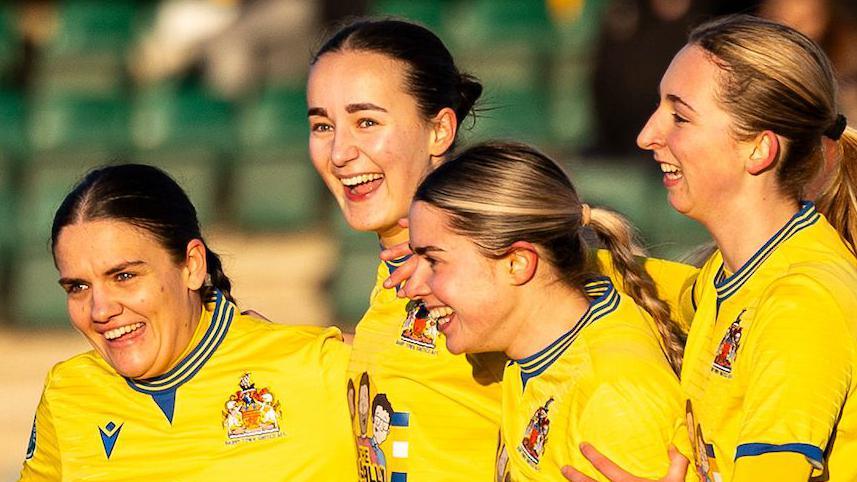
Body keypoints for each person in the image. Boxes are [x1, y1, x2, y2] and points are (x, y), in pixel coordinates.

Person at [563, 14, 857, 482]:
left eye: (679, 116)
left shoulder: (802, 299)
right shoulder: (734, 271)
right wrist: (541, 243)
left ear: (759, 149)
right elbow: (661, 286)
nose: (647, 136)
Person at [18, 164, 357, 481]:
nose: (100, 310)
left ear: (192, 265)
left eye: (124, 276)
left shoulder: (317, 367)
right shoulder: (68, 393)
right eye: (78, 287)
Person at [404, 141, 694, 482]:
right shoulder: (532, 350)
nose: (413, 287)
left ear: (517, 263)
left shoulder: (613, 397)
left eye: (434, 261)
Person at [306, 17, 504, 481]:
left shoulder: (494, 261)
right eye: (321, 125)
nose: (339, 152)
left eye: (366, 121)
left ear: (439, 130)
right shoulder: (399, 265)